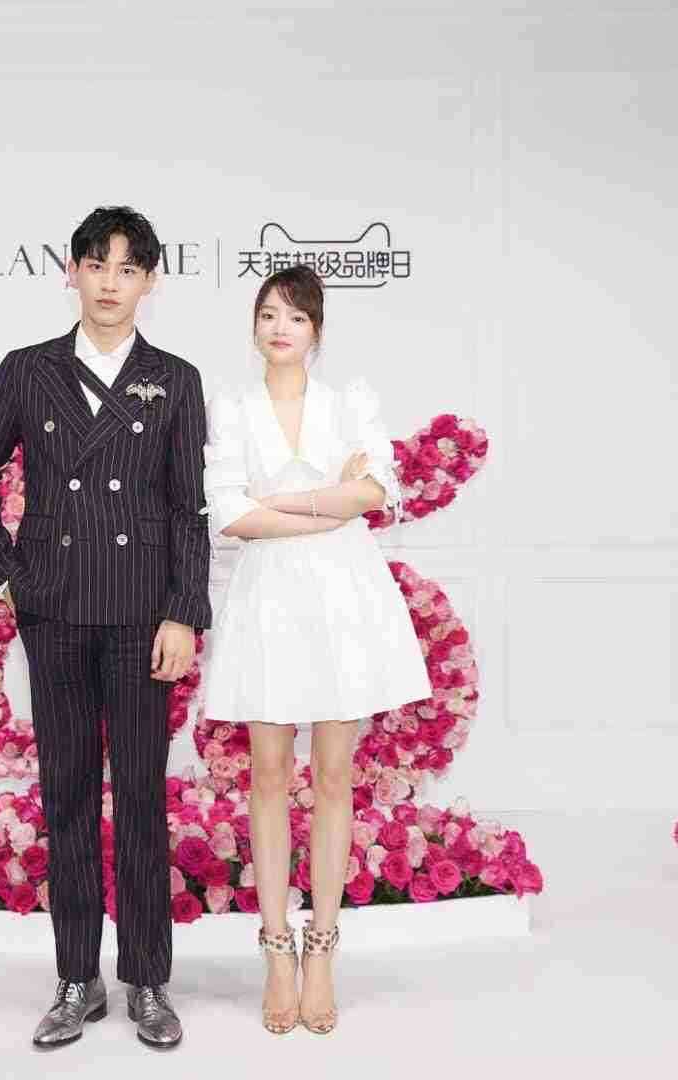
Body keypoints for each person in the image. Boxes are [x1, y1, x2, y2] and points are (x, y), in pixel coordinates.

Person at [0, 205, 212, 1051]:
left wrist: (184, 610)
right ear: (71, 272)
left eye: (128, 269)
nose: (110, 283)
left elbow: (189, 507)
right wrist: (6, 572)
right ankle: (77, 978)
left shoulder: (175, 379)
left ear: (150, 282)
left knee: (140, 797)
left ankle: (147, 980)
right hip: (56, 607)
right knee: (65, 795)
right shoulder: (28, 369)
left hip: (141, 614)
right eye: (96, 265)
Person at [200, 264, 433, 1035]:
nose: (280, 327)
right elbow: (229, 513)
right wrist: (329, 509)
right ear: (254, 326)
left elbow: (376, 492)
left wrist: (287, 501)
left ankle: (322, 950)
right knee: (268, 776)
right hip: (268, 598)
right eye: (269, 314)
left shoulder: (349, 402)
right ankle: (276, 951)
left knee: (335, 777)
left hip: (345, 601)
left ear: (317, 331)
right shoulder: (233, 407)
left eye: (296, 317)